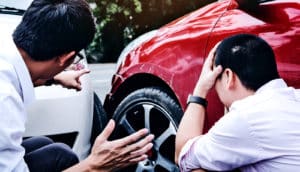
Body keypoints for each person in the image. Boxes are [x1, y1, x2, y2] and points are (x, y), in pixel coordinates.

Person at [0, 0, 154, 171]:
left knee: (54, 151)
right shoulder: (5, 100)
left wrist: (55, 77)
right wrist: (95, 166)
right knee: (64, 158)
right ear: (65, 58)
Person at [175, 34, 300, 171]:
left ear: (228, 76)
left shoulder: (246, 118)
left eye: (216, 80)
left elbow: (182, 154)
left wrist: (201, 89)